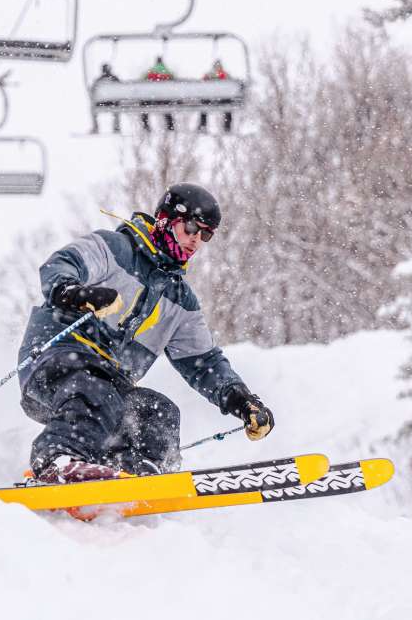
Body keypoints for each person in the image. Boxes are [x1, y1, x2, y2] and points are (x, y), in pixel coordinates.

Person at [17, 183, 274, 483]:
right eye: (191, 227)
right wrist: (73, 292)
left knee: (157, 412)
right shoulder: (114, 249)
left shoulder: (180, 300)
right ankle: (57, 460)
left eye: (206, 234)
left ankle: (135, 475)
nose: (196, 240)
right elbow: (62, 263)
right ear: (165, 220)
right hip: (55, 360)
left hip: (109, 384)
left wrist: (240, 399)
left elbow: (204, 363)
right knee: (96, 394)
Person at [141, 56, 177, 132]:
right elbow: (174, 80)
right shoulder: (167, 71)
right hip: (164, 97)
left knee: (144, 109)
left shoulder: (150, 71)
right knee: (167, 111)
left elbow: (142, 79)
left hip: (151, 96)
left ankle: (146, 126)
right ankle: (170, 126)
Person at [197, 59, 233, 133]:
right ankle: (227, 127)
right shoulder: (224, 75)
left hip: (216, 99)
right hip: (219, 99)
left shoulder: (211, 74)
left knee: (204, 106)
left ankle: (203, 126)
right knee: (227, 108)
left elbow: (202, 85)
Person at [92, 63, 122, 134]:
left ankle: (96, 127)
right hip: (114, 103)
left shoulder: (98, 80)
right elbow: (121, 89)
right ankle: (116, 127)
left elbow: (93, 91)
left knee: (92, 108)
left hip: (101, 103)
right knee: (116, 109)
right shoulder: (115, 79)